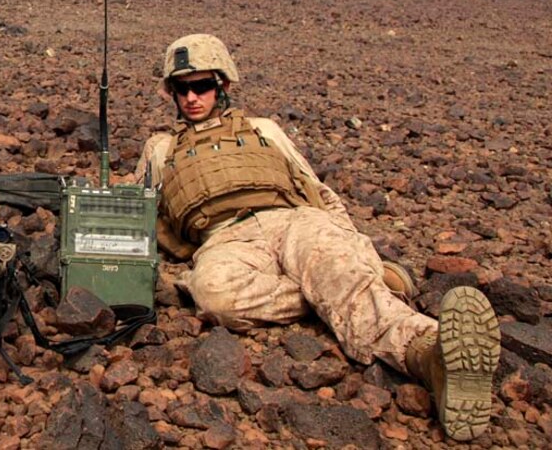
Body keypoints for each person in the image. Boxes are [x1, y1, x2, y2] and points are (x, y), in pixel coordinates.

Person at [134, 34, 500, 442]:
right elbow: (136, 212)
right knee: (214, 295)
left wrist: (352, 243)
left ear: (223, 85)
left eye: (201, 86)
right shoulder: (160, 148)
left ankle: (428, 355)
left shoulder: (263, 130)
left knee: (334, 263)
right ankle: (347, 285)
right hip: (225, 240)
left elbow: (317, 189)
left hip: (292, 220)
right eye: (181, 88)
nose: (191, 98)